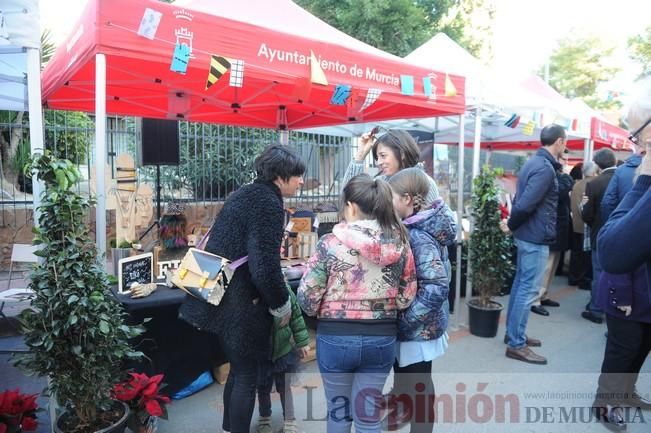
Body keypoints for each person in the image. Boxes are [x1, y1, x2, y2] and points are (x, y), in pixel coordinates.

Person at [178, 145, 305, 433]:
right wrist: (281, 305)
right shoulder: (268, 203)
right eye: (297, 176)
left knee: (238, 369)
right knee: (247, 375)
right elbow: (263, 266)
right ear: (281, 176)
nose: (300, 181)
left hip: (219, 297)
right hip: (241, 302)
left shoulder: (243, 194)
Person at [298, 174, 417, 433]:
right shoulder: (401, 244)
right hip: (381, 339)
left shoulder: (329, 243)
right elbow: (406, 296)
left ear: (351, 206)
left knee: (339, 414)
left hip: (335, 339)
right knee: (368, 417)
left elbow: (307, 298)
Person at [386, 168, 456, 433]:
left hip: (418, 328)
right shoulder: (417, 227)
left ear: (407, 199)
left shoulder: (418, 235)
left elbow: (437, 286)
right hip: (420, 326)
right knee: (420, 387)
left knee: (420, 390)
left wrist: (407, 321)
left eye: (391, 197)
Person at [501, 124, 567, 365]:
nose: (566, 146)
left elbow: (523, 201)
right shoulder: (544, 167)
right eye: (565, 142)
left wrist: (513, 223)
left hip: (529, 233)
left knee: (522, 286)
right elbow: (526, 204)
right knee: (527, 289)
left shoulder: (535, 162)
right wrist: (512, 223)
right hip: (534, 236)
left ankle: (514, 334)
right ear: (559, 141)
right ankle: (516, 343)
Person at [255, 289, 310, 433]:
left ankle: (290, 420)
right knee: (263, 387)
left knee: (284, 386)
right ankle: (265, 417)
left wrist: (302, 341)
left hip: (283, 351)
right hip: (261, 353)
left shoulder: (284, 291)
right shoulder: (251, 292)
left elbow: (296, 317)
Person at [343, 128, 440, 206]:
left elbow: (435, 224)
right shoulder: (381, 182)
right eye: (377, 157)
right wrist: (361, 154)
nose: (379, 162)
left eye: (383, 156)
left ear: (402, 154)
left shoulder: (427, 184)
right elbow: (348, 195)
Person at [530, 153, 574, 316]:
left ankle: (544, 294)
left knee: (553, 264)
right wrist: (567, 178)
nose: (566, 162)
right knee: (545, 266)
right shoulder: (553, 176)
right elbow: (560, 191)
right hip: (551, 227)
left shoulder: (559, 176)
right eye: (564, 159)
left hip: (558, 227)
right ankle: (536, 299)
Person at [580, 148, 617, 324]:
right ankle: (612, 308)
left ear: (598, 164)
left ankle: (596, 309)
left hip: (600, 234)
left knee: (599, 274)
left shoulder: (594, 184)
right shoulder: (627, 179)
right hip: (623, 235)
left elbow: (586, 214)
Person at [569, 161, 598, 290]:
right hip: (587, 225)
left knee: (576, 254)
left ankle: (573, 278)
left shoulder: (577, 184)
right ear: (593, 171)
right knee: (586, 255)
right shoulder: (593, 184)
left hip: (575, 223)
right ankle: (583, 280)